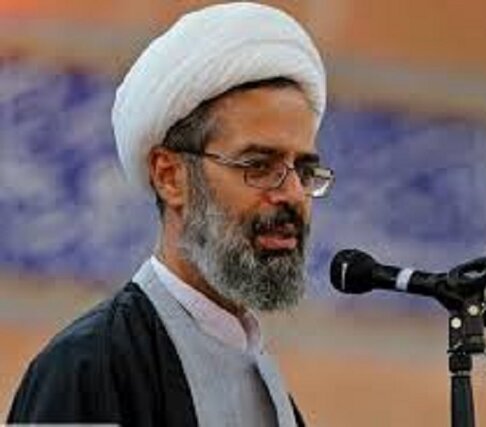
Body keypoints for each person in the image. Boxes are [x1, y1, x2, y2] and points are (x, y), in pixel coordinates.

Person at [7, 3, 332, 426]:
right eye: (258, 166)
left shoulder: (268, 389)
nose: (292, 194)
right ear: (170, 177)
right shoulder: (88, 369)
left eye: (304, 170)